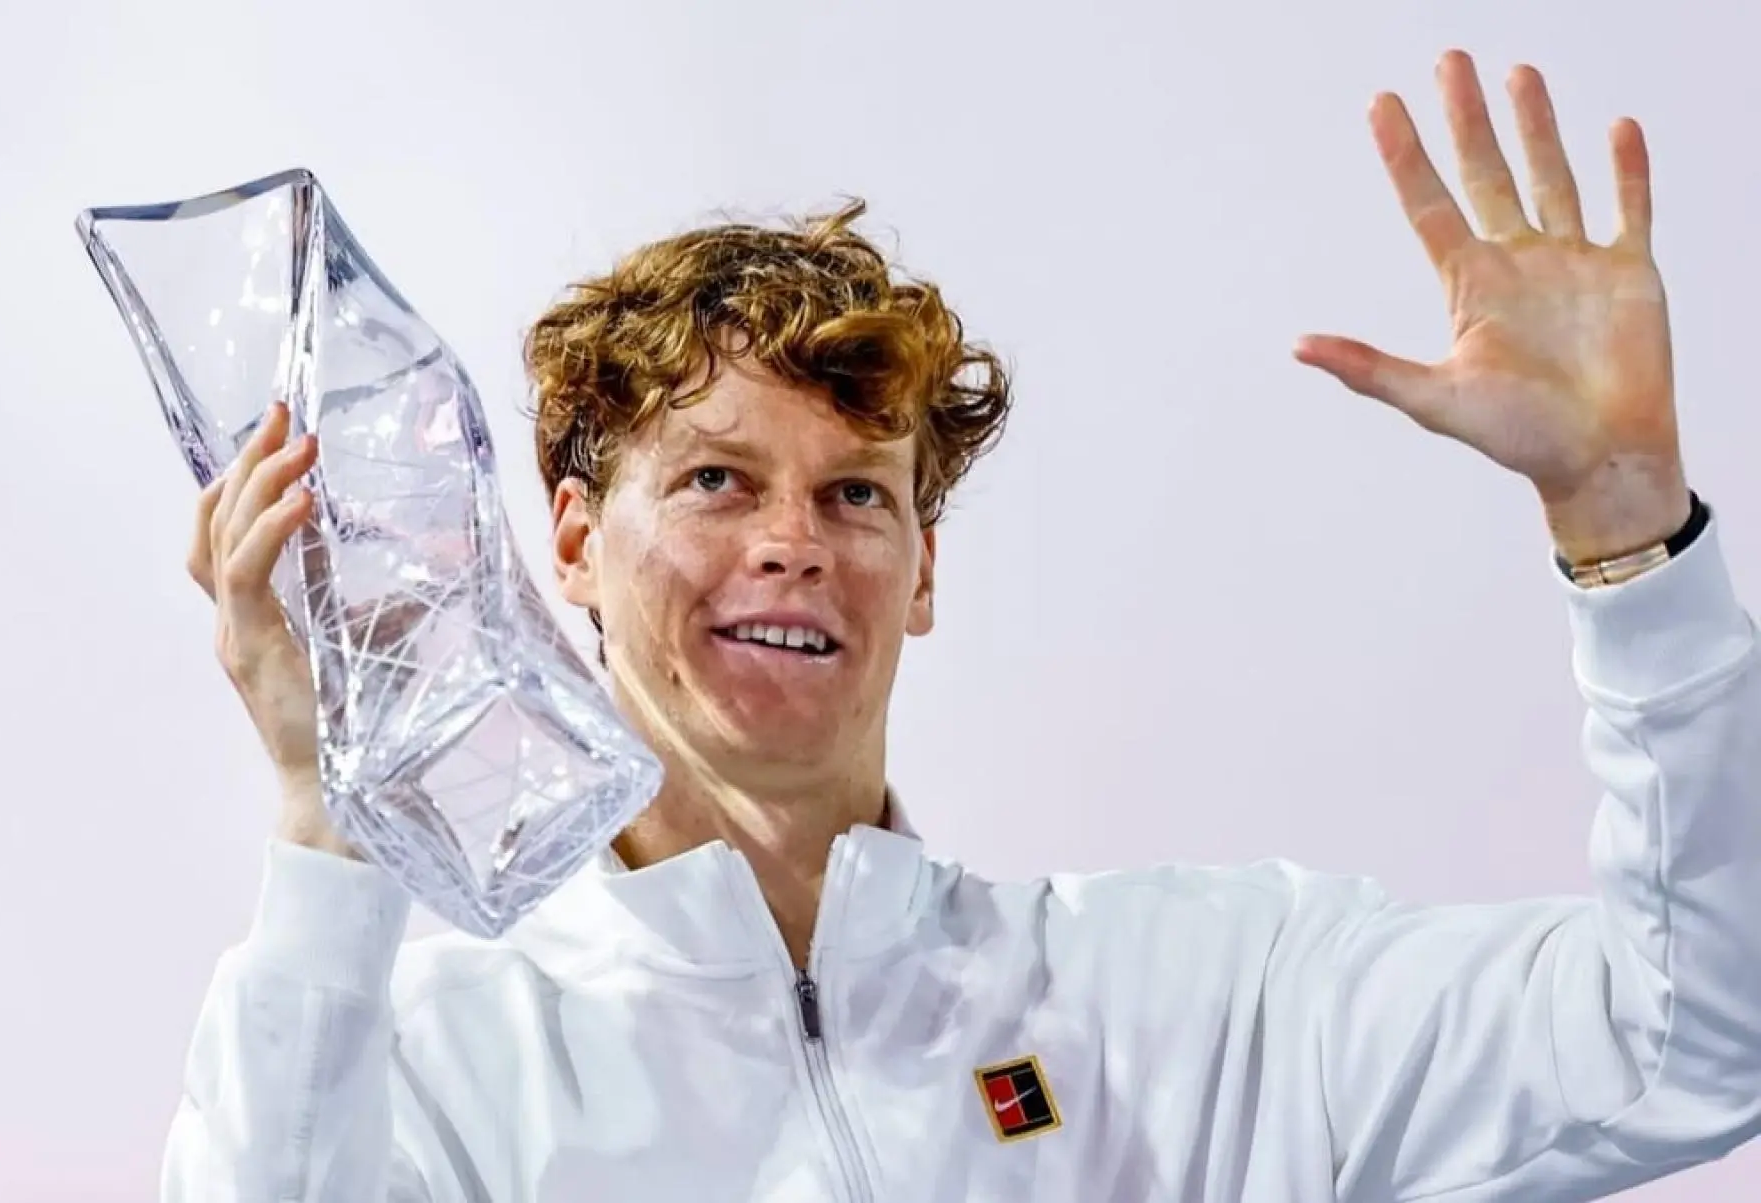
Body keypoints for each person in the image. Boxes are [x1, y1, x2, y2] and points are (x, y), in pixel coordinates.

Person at [161, 50, 1761, 1202]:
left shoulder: (1200, 997)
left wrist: (1626, 527)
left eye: (858, 494)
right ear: (573, 542)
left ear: (923, 571)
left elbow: (1694, 1035)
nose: (793, 543)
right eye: (717, 479)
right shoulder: (438, 1066)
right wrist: (329, 824)